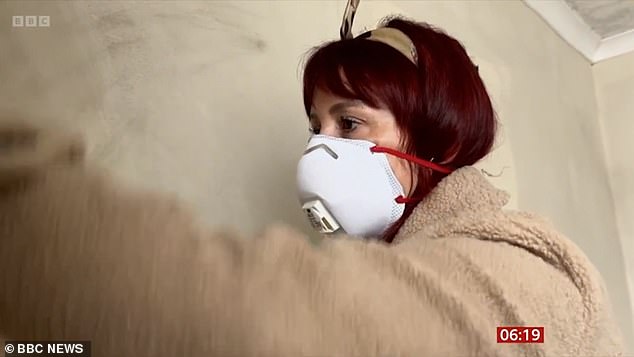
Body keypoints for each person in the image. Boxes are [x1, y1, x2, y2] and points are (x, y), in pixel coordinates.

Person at [0, 17, 624, 357]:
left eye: (349, 122)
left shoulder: (530, 279)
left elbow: (262, 323)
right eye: (315, 128)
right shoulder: (406, 266)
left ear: (442, 141)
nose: (319, 150)